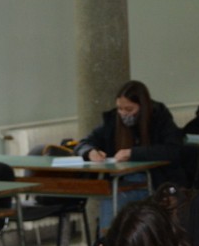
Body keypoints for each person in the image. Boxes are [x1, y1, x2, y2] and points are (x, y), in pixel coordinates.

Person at [74, 80, 189, 225]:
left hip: (156, 182)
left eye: (129, 109)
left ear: (142, 107)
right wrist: (90, 152)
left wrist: (133, 153)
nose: (123, 114)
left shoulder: (159, 118)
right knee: (111, 198)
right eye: (120, 109)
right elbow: (83, 143)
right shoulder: (112, 120)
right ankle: (110, 237)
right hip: (122, 182)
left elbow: (173, 150)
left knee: (117, 198)